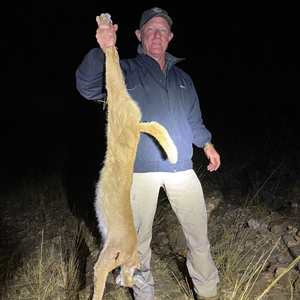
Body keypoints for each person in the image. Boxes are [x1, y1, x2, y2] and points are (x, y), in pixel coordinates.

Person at [76, 7, 220, 300]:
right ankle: (144, 295)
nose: (157, 35)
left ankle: (208, 292)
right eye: (150, 30)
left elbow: (193, 119)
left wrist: (207, 144)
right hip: (138, 172)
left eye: (162, 30)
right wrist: (102, 50)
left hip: (182, 169)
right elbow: (88, 87)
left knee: (199, 237)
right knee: (137, 245)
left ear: (170, 37)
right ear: (139, 35)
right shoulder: (125, 69)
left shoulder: (184, 78)